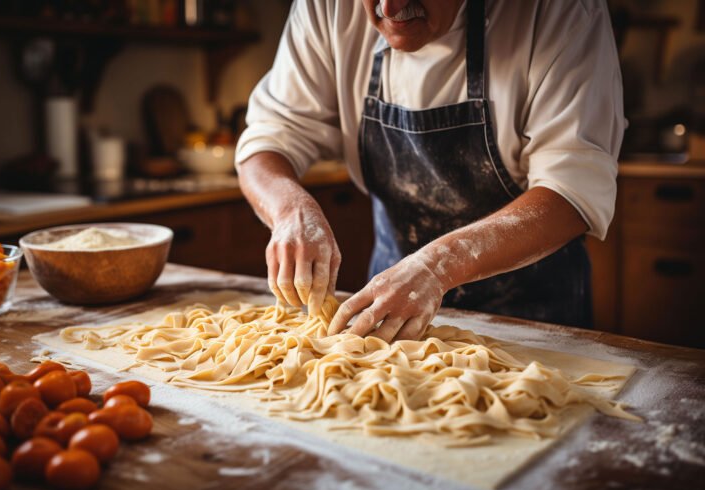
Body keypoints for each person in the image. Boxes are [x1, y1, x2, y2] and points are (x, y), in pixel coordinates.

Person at [236, 0, 624, 341]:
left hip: (534, 317)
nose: (389, 8)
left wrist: (437, 266)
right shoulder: (328, 7)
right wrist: (290, 210)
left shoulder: (559, 10)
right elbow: (268, 139)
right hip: (389, 315)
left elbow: (572, 189)